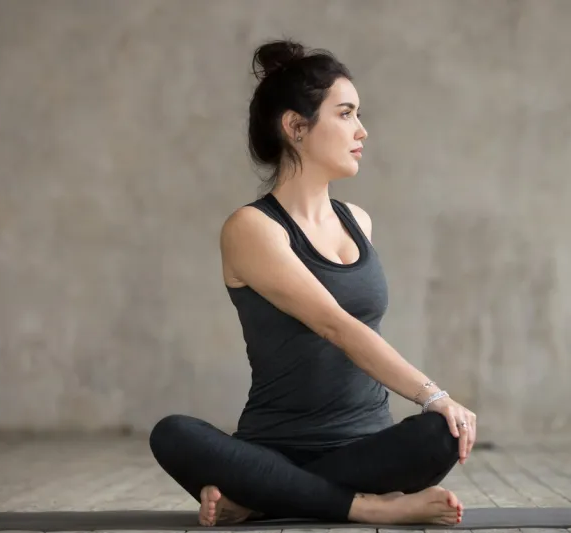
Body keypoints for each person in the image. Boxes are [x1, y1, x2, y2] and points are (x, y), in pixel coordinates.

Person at [149, 39, 477, 527]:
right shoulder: (252, 229)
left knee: (443, 434)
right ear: (295, 127)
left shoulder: (358, 222)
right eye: (345, 114)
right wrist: (433, 393)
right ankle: (365, 505)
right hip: (275, 445)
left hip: (365, 448)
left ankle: (270, 497)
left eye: (359, 115)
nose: (362, 130)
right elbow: (337, 326)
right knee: (172, 434)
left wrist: (440, 411)